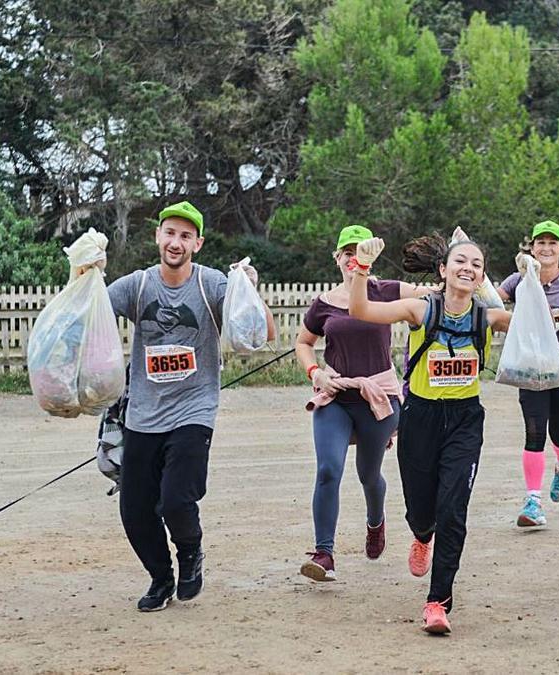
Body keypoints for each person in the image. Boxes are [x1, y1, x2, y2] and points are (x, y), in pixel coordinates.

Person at [105, 200, 278, 611]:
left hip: (194, 409)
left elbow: (265, 333)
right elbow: (91, 313)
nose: (176, 242)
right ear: (157, 237)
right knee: (134, 510)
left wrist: (249, 292)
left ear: (197, 244)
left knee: (177, 499)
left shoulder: (211, 285)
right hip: (143, 414)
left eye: (185, 236)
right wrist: (83, 278)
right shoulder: (137, 285)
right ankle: (161, 579)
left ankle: (190, 552)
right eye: (170, 233)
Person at [348, 234, 511, 635]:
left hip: (465, 421)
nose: (467, 267)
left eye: (476, 263)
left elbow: (543, 323)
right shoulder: (421, 310)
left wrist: (535, 284)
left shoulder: (487, 318)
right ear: (443, 270)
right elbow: (361, 309)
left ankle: (438, 601)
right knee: (422, 510)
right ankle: (422, 535)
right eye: (460, 261)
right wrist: (361, 270)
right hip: (419, 417)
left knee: (453, 509)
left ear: (482, 277)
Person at [294, 225, 430, 581]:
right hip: (336, 395)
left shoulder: (386, 291)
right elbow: (303, 342)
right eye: (347, 252)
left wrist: (463, 277)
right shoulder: (323, 304)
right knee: (327, 470)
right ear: (337, 258)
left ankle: (376, 522)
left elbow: (433, 296)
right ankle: (324, 553)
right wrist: (314, 372)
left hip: (378, 398)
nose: (353, 258)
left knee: (368, 473)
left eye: (360, 251)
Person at [496, 220, 559, 528]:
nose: (546, 248)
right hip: (532, 369)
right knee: (534, 433)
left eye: (553, 243)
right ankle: (533, 502)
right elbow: (490, 301)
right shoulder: (519, 281)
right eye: (541, 243)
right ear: (531, 248)